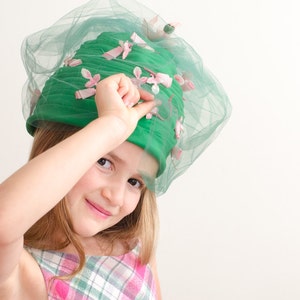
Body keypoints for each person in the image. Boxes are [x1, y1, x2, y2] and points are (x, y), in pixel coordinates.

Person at [0, 0, 231, 299]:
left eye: (135, 182)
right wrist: (109, 127)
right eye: (104, 161)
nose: (115, 196)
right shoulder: (25, 271)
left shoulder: (133, 251)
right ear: (61, 144)